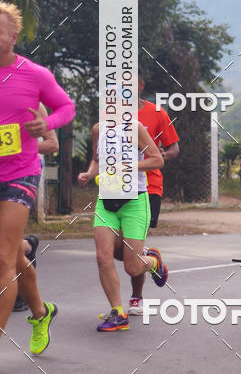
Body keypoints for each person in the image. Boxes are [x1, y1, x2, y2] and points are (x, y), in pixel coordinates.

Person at [0, 2, 76, 353]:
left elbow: (67, 107)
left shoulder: (34, 74)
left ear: (13, 37)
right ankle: (41, 312)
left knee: (2, 259)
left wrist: (47, 124)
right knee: (14, 257)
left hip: (19, 174)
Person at [78, 118, 168, 331]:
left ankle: (153, 262)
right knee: (103, 256)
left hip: (135, 201)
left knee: (133, 267)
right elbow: (96, 159)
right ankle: (118, 312)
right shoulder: (97, 129)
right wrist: (90, 173)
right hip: (106, 200)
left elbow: (157, 160)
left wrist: (127, 166)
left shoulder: (135, 128)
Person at [115, 70, 180, 316]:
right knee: (116, 249)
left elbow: (173, 148)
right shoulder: (111, 114)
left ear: (140, 85)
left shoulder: (156, 113)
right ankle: (153, 260)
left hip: (148, 187)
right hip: (116, 187)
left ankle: (136, 298)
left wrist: (159, 156)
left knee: (133, 246)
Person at [13, 103, 59, 312]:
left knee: (5, 241)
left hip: (21, 174)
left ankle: (21, 296)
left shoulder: (32, 101)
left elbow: (52, 144)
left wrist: (15, 146)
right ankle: (27, 247)